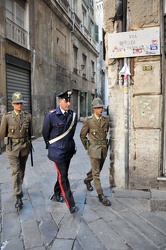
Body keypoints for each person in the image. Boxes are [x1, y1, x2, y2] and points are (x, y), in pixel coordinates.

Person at [42, 90, 79, 214]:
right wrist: (53, 146)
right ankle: (71, 204)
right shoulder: (51, 115)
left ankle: (56, 193)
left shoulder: (72, 115)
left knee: (62, 174)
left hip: (68, 150)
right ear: (59, 101)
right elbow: (45, 133)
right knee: (64, 177)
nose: (68, 103)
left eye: (69, 101)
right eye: (65, 101)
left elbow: (71, 134)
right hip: (57, 152)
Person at [0, 92, 32, 209]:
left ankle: (19, 186)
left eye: (21, 103)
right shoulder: (7, 117)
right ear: (12, 104)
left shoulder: (28, 116)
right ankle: (18, 196)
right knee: (15, 171)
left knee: (22, 171)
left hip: (24, 147)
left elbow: (30, 132)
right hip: (12, 149)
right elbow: (2, 133)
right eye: (17, 103)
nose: (19, 105)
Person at [80, 97, 111, 206]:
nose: (100, 110)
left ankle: (87, 180)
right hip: (94, 150)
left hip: (103, 149)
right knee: (96, 173)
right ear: (93, 108)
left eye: (101, 108)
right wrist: (88, 147)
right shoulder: (89, 121)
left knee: (96, 170)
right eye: (98, 108)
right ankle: (100, 195)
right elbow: (82, 136)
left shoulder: (106, 120)